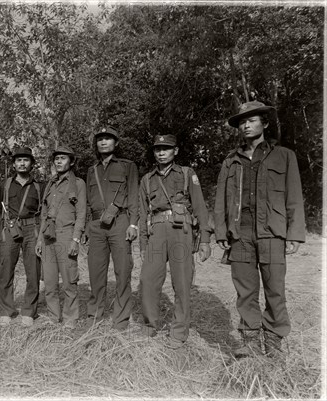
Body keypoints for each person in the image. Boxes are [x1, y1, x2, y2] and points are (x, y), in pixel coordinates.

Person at [214, 101, 305, 359]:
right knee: (245, 291)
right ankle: (251, 343)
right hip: (240, 235)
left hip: (272, 233)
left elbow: (294, 196)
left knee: (275, 290)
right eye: (242, 122)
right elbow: (220, 198)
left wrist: (294, 234)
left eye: (251, 120)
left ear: (264, 123)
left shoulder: (284, 156)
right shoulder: (231, 161)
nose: (245, 125)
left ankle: (274, 346)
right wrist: (221, 231)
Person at [138, 134, 211, 348]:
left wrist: (205, 239)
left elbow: (199, 207)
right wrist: (143, 244)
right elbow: (143, 214)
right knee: (148, 280)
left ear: (175, 151)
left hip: (182, 230)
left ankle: (179, 331)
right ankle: (150, 326)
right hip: (156, 231)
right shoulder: (147, 179)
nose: (161, 153)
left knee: (182, 283)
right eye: (158, 149)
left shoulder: (187, 174)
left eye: (166, 148)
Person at [85, 127, 139, 330]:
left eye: (108, 139)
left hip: (120, 223)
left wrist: (133, 223)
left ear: (116, 143)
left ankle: (121, 320)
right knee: (95, 273)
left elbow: (133, 195)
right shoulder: (92, 170)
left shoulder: (128, 166)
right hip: (97, 225)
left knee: (123, 271)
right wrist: (87, 228)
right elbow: (89, 202)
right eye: (100, 139)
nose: (103, 142)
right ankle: (94, 316)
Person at [0, 147, 43, 327]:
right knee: (5, 271)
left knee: (33, 271)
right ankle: (6, 310)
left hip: (31, 230)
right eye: (19, 160)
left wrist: (41, 236)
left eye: (26, 160)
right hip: (9, 229)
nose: (22, 163)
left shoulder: (38, 186)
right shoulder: (4, 185)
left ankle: (29, 311)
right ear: (14, 164)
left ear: (32, 164)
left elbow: (44, 212)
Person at [35, 146, 86, 329]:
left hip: (66, 235)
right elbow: (44, 214)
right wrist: (40, 239)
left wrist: (76, 239)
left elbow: (81, 214)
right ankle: (53, 317)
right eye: (56, 158)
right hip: (48, 236)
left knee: (69, 282)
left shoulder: (78, 184)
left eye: (63, 158)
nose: (58, 161)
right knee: (49, 282)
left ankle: (70, 318)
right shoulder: (50, 184)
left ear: (71, 162)